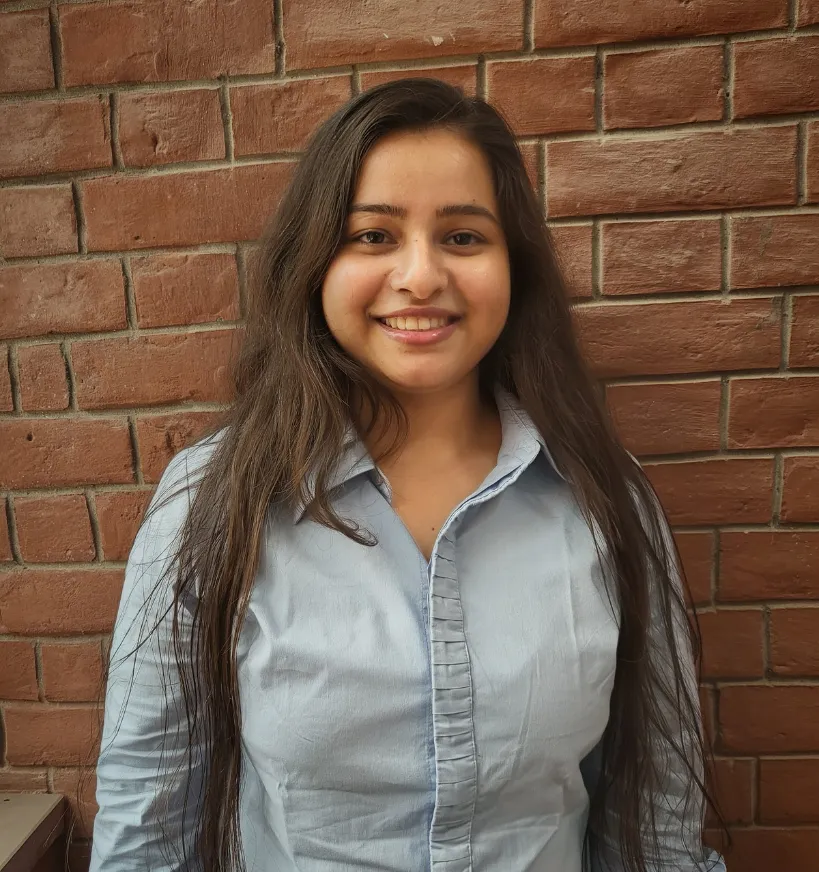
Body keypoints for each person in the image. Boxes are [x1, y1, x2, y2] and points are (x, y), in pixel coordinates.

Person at [89, 78, 727, 872]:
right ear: (314, 263)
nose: (420, 276)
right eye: (373, 236)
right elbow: (147, 825)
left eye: (462, 236)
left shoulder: (603, 499)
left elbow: (657, 822)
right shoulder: (212, 502)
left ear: (514, 265)